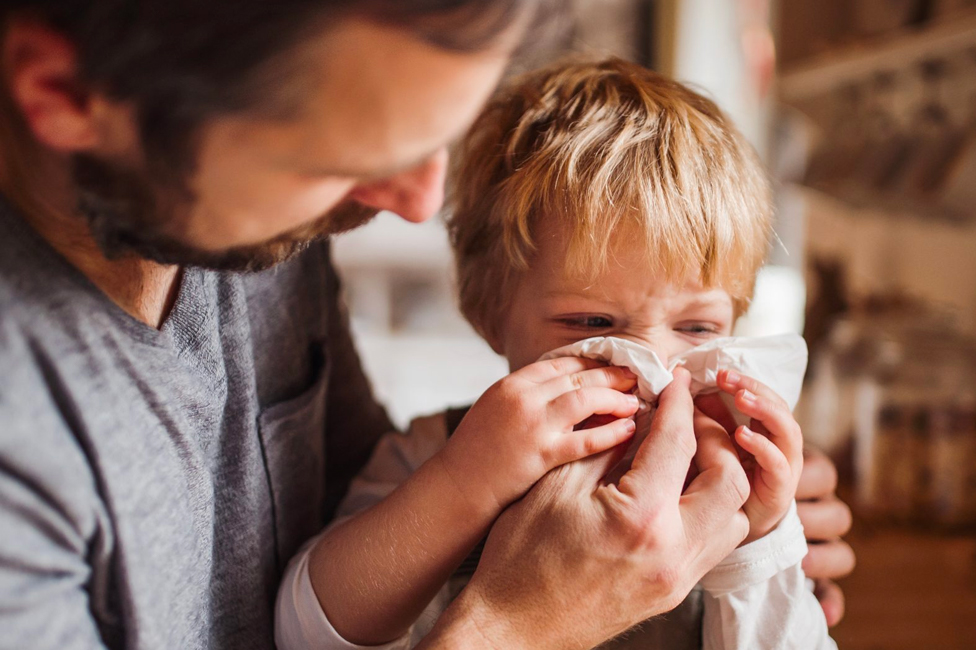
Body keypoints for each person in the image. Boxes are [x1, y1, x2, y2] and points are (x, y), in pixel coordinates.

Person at [0, 2, 853, 649]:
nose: (414, 205)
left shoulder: (257, 226)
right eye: (346, 157)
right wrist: (520, 620)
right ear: (69, 97)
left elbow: (335, 507)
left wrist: (761, 549)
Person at [276, 58, 836, 650]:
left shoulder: (725, 481)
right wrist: (466, 482)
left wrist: (762, 540)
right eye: (593, 324)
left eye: (697, 327)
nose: (650, 368)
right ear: (491, 314)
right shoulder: (438, 453)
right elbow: (304, 634)